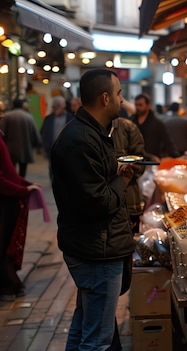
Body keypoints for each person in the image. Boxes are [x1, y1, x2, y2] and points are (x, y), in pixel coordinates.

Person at [50, 69, 138, 351]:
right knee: (97, 339)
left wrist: (116, 171)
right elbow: (98, 201)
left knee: (84, 325)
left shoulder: (91, 134)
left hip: (93, 246)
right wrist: (123, 180)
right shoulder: (81, 140)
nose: (122, 101)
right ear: (104, 98)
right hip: (97, 249)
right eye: (119, 94)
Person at [0, 129, 41, 301]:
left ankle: (9, 285)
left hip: (7, 201)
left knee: (5, 244)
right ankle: (8, 286)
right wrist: (22, 189)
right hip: (4, 202)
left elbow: (8, 172)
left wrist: (24, 185)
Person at [110, 116, 146, 234]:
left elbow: (141, 163)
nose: (121, 100)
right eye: (118, 95)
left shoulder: (128, 127)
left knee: (128, 245)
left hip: (128, 201)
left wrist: (136, 166)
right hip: (99, 207)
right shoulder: (87, 132)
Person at [0, 98, 41, 177]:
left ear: (12, 105)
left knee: (11, 169)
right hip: (25, 148)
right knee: (23, 169)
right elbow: (34, 133)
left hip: (10, 148)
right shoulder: (28, 117)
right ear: (22, 105)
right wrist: (38, 144)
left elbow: (2, 132)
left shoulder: (7, 116)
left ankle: (14, 183)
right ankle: (22, 182)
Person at [129, 93, 177, 161]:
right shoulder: (131, 122)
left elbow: (167, 141)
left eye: (140, 105)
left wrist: (175, 156)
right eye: (136, 105)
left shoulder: (157, 123)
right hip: (135, 160)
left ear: (148, 106)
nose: (137, 107)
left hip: (153, 161)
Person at [41, 96, 73, 179]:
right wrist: (45, 147)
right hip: (51, 148)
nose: (60, 107)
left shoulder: (70, 118)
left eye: (61, 105)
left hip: (66, 148)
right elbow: (44, 133)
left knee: (64, 167)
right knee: (52, 167)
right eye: (58, 106)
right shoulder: (49, 119)